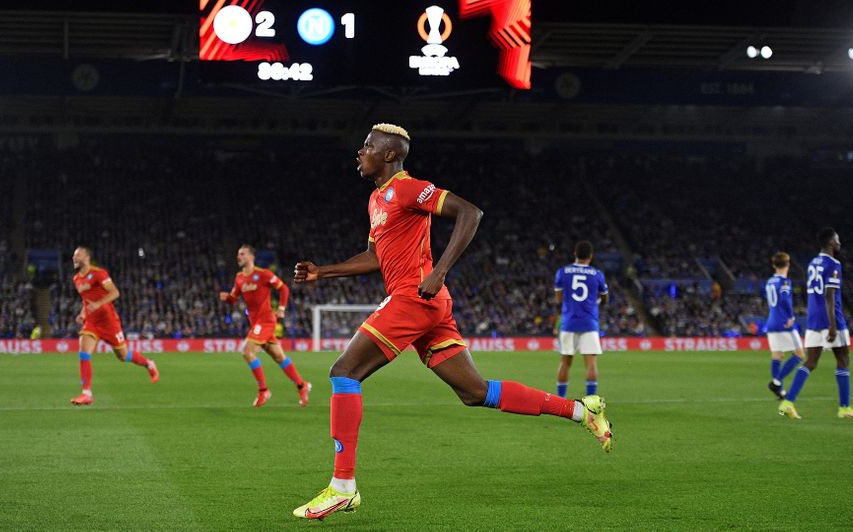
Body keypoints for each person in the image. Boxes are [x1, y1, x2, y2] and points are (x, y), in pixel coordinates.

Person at [290, 124, 613, 521]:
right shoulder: (376, 200)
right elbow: (374, 259)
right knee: (475, 392)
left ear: (390, 155)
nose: (360, 151)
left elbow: (470, 212)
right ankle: (582, 410)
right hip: (428, 304)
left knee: (344, 372)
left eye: (368, 146)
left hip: (415, 297)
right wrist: (323, 272)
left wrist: (440, 269)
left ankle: (342, 487)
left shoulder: (409, 188)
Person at [778, 228, 853, 419]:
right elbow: (830, 295)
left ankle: (787, 402)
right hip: (830, 319)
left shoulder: (812, 263)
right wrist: (832, 325)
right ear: (831, 243)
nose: (840, 243)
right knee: (843, 358)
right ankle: (844, 408)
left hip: (813, 318)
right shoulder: (833, 264)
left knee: (811, 362)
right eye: (838, 240)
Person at [219, 245, 310, 407]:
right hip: (256, 323)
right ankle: (301, 385)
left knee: (247, 352)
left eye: (242, 254)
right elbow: (234, 297)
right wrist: (227, 298)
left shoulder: (263, 274)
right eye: (238, 254)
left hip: (266, 321)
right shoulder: (239, 277)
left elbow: (284, 289)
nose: (238, 257)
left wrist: (281, 309)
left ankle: (263, 390)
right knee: (279, 356)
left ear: (251, 256)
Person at [70, 247, 158, 406]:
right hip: (91, 322)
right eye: (73, 256)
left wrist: (97, 304)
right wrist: (83, 313)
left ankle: (148, 363)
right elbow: (86, 300)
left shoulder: (99, 273)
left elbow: (115, 293)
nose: (74, 258)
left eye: (78, 255)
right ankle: (86, 393)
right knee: (84, 353)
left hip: (109, 322)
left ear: (87, 257)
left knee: (123, 356)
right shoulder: (76, 279)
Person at [554, 241, 608, 398]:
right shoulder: (597, 274)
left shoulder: (562, 272)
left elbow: (559, 299)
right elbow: (605, 298)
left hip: (569, 322)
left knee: (565, 363)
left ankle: (560, 402)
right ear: (590, 257)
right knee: (591, 364)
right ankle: (590, 402)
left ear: (575, 254)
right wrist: (597, 304)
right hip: (589, 323)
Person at [764, 252, 804, 400]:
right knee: (799, 354)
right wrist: (791, 317)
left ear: (774, 265)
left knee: (777, 355)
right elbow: (786, 300)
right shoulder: (785, 282)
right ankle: (776, 382)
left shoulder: (769, 282)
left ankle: (780, 392)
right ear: (788, 265)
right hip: (783, 322)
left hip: (771, 322)